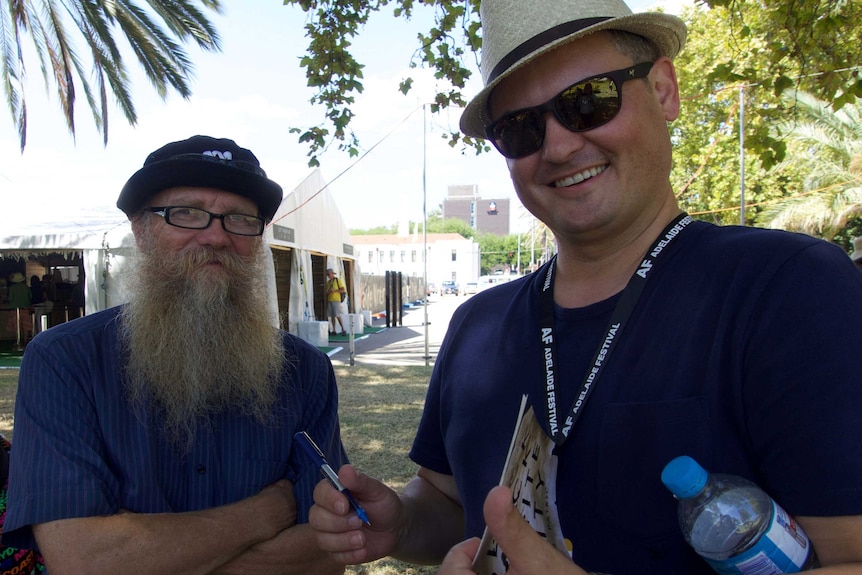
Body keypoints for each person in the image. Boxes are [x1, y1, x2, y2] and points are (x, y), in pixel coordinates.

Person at [309, 0, 862, 574]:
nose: (558, 146)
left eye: (589, 101)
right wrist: (400, 521)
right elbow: (451, 502)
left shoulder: (790, 289)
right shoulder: (477, 326)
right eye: (519, 129)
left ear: (664, 89)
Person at [4, 135, 348, 575]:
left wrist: (162, 556)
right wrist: (264, 514)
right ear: (142, 231)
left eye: (241, 219)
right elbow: (83, 560)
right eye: (186, 213)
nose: (216, 236)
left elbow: (329, 548)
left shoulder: (306, 371)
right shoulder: (63, 361)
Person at [326, 268, 347, 336]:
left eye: (329, 274)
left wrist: (335, 291)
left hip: (336, 300)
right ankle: (334, 330)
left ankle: (343, 329)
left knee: (337, 315)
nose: (329, 276)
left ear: (332, 274)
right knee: (332, 316)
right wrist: (329, 292)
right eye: (328, 275)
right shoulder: (328, 283)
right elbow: (326, 292)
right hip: (330, 299)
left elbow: (343, 290)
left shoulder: (338, 281)